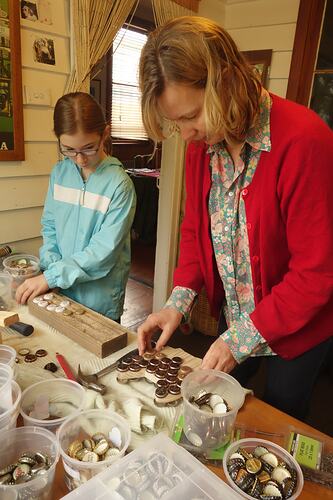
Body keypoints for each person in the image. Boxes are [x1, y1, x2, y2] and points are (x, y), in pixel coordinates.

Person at [137, 16, 333, 419]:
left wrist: (238, 340)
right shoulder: (202, 150)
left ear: (225, 81)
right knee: (223, 407)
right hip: (238, 317)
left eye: (191, 116)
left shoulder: (305, 140)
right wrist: (177, 303)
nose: (186, 134)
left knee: (278, 413)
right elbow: (195, 231)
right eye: (177, 124)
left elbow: (316, 274)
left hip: (299, 327)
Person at [16, 92, 136, 321]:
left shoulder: (119, 185)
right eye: (69, 149)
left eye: (88, 148)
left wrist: (51, 277)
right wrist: (51, 272)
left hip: (98, 301)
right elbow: (50, 227)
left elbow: (103, 252)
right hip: (58, 292)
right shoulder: (59, 174)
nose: (79, 159)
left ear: (105, 135)